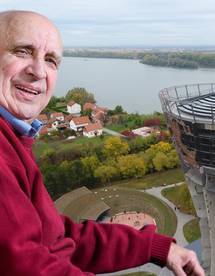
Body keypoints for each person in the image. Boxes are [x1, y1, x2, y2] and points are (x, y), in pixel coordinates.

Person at [0, 10, 204, 276]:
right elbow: (25, 266)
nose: (38, 70)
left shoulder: (13, 141)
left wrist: (154, 246)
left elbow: (57, 239)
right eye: (23, 51)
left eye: (51, 60)